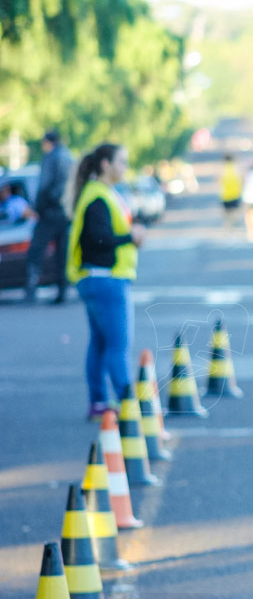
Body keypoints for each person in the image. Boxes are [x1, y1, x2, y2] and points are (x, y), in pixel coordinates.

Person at [66, 144, 146, 421]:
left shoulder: (99, 194)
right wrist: (130, 237)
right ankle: (127, 405)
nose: (125, 167)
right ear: (105, 164)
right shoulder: (98, 197)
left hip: (97, 279)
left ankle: (100, 402)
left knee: (101, 344)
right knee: (117, 345)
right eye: (121, 162)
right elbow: (96, 239)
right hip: (105, 280)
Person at [25, 129, 74, 303]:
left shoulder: (51, 157)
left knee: (36, 251)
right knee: (62, 254)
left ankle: (31, 290)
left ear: (48, 142)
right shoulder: (69, 157)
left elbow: (44, 184)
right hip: (65, 213)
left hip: (49, 212)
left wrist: (38, 207)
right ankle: (62, 292)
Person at [219, 154, 242, 229]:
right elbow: (241, 180)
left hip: (225, 195)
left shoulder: (223, 169)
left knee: (227, 214)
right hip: (235, 194)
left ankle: (229, 228)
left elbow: (219, 181)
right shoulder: (236, 168)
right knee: (234, 212)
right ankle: (234, 224)